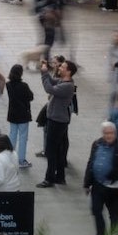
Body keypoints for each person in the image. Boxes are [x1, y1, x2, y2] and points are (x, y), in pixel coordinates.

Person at [85, 119, 118, 235]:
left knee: (114, 216)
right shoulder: (96, 144)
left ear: (115, 133)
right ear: (103, 133)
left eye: (111, 133)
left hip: (114, 188)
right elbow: (91, 163)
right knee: (96, 211)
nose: (109, 135)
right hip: (97, 185)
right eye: (106, 133)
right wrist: (87, 183)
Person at [39, 57, 79, 187]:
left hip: (57, 122)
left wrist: (44, 73)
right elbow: (51, 81)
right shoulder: (63, 81)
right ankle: (60, 177)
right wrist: (45, 71)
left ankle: (49, 179)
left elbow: (49, 89)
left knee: (51, 151)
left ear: (69, 72)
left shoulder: (68, 86)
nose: (60, 67)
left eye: (62, 67)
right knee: (58, 150)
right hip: (58, 120)